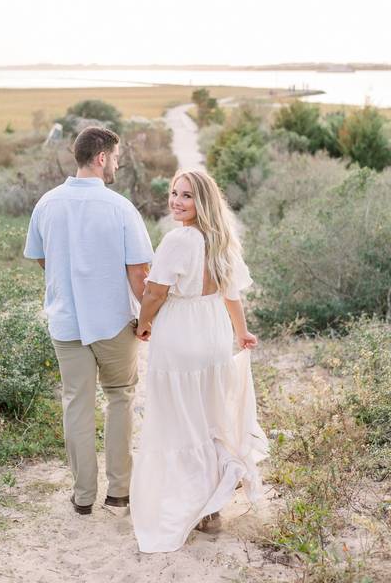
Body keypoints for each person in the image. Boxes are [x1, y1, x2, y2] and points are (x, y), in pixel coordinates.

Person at [130, 169, 269, 553]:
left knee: (179, 422)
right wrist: (241, 333)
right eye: (174, 192)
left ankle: (192, 506)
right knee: (210, 419)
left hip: (179, 335)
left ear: (202, 201)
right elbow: (232, 294)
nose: (176, 200)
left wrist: (144, 323)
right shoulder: (222, 239)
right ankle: (211, 511)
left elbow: (156, 292)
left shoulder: (179, 240)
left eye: (187, 195)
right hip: (213, 335)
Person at [24, 126, 153, 515]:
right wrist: (147, 319)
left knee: (76, 405)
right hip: (113, 323)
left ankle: (82, 497)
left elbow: (43, 260)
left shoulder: (46, 203)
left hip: (66, 324)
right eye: (114, 157)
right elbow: (139, 276)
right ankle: (118, 492)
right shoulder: (119, 208)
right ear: (101, 158)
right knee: (120, 398)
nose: (116, 164)